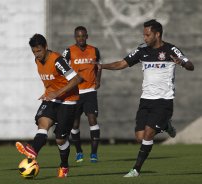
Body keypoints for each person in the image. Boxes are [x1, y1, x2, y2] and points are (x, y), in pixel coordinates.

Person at [98, 19, 194, 177]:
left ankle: (136, 169)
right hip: (146, 100)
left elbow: (190, 64)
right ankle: (165, 126)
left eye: (147, 35)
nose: (145, 38)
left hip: (163, 100)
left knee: (149, 133)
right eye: (143, 35)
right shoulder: (142, 50)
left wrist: (182, 64)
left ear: (157, 34)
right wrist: (102, 66)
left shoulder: (171, 49)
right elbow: (122, 63)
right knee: (140, 137)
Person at [15, 34, 82, 178]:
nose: (36, 54)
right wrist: (49, 93)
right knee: (42, 124)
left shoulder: (58, 60)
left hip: (68, 101)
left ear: (45, 47)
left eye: (39, 51)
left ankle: (64, 166)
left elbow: (77, 79)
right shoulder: (37, 60)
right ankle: (33, 151)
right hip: (51, 99)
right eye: (34, 51)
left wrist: (57, 92)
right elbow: (51, 80)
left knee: (60, 139)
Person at [62, 26, 102, 163]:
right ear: (75, 37)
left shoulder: (94, 50)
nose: (81, 38)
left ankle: (94, 154)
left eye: (83, 36)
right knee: (75, 124)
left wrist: (98, 79)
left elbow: (99, 66)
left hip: (90, 91)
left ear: (87, 36)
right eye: (78, 36)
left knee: (92, 120)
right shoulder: (68, 51)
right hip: (75, 92)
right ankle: (79, 152)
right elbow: (61, 69)